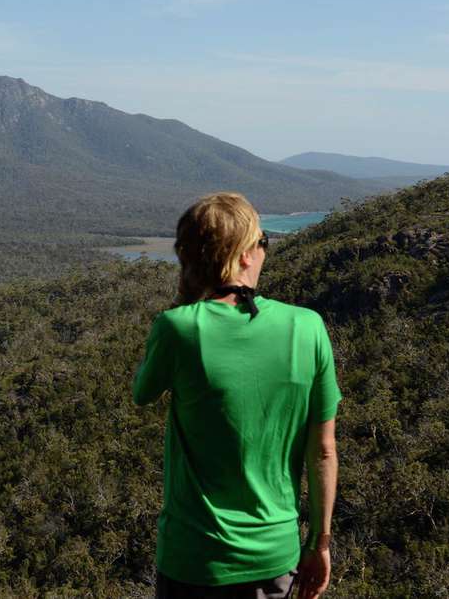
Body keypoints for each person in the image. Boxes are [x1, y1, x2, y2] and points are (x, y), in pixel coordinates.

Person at [133, 192, 341, 599]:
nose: (264, 252)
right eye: (263, 243)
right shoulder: (308, 327)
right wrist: (320, 543)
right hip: (273, 558)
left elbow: (143, 392)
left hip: (193, 557)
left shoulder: (178, 328)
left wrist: (188, 298)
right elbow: (324, 451)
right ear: (245, 255)